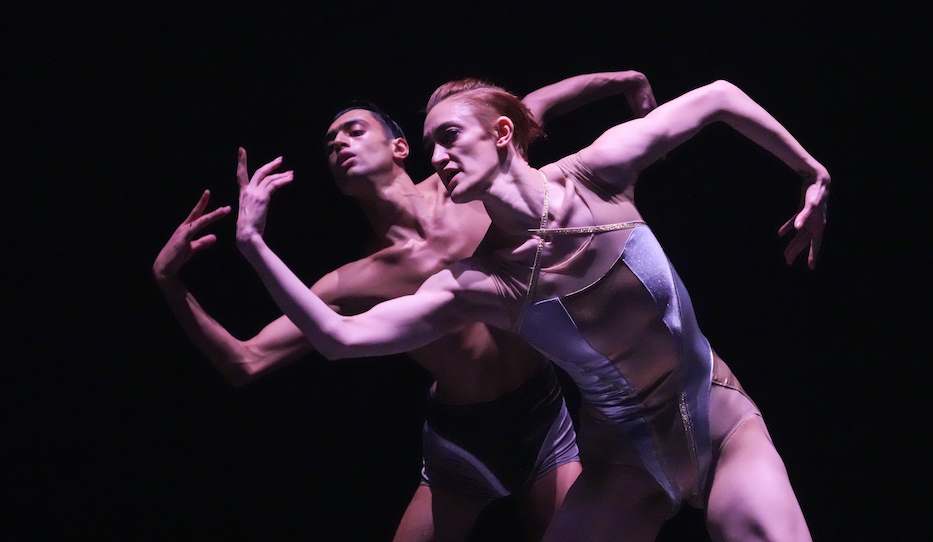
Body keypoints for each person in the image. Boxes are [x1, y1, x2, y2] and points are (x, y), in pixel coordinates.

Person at [234, 77, 828, 542]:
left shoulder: (600, 174)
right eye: (430, 143)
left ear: (498, 134)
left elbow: (719, 98)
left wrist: (811, 173)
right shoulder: (478, 281)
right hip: (622, 467)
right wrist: (255, 247)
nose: (436, 156)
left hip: (717, 423)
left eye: (448, 136)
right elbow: (338, 337)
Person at [154, 71, 657, 542]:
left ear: (399, 147)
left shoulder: (471, 188)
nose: (339, 144)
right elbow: (245, 361)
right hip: (465, 443)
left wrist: (625, 81)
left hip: (542, 415)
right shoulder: (353, 279)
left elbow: (529, 107)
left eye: (352, 131)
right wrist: (169, 282)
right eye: (330, 145)